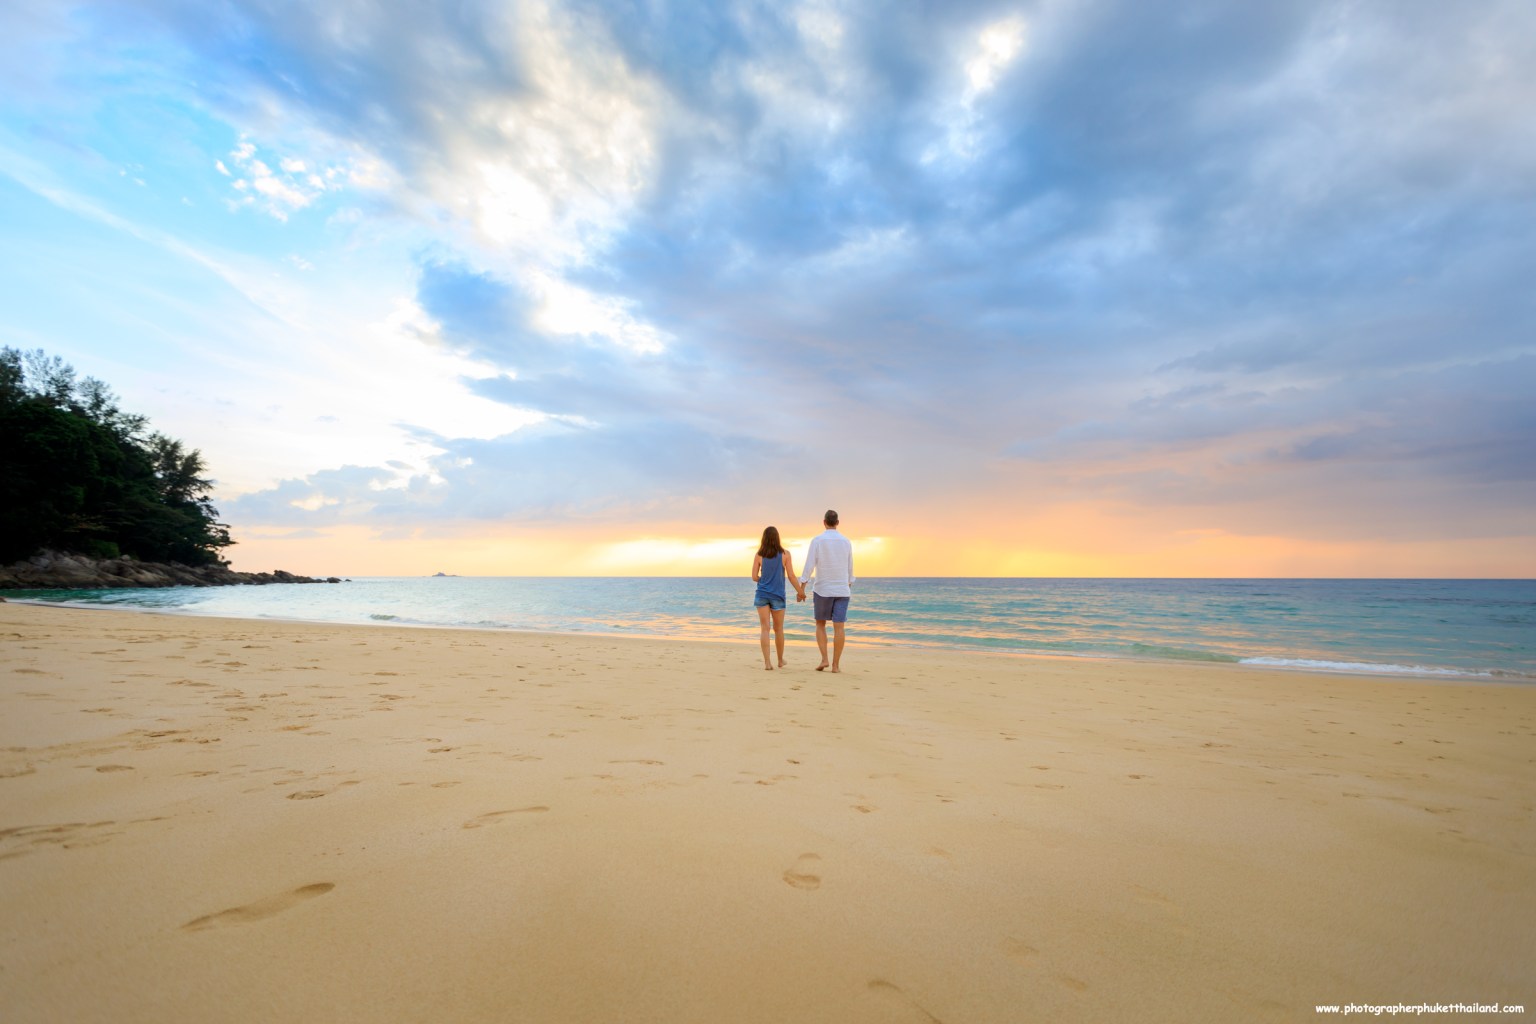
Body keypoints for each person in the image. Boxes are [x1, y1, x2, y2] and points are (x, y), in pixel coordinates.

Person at [799, 509, 855, 672]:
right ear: (837, 523)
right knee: (839, 627)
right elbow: (850, 565)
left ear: (824, 522)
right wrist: (848, 584)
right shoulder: (846, 541)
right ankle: (836, 665)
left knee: (820, 624)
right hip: (842, 589)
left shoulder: (817, 540)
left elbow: (809, 565)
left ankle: (824, 659)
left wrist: (802, 587)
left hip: (823, 588)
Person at [751, 526, 806, 671]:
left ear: (764, 538)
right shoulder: (785, 554)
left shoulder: (759, 555)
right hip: (778, 596)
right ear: (777, 538)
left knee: (765, 629)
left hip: (762, 594)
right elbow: (791, 576)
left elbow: (754, 577)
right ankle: (780, 660)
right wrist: (800, 591)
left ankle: (767, 663)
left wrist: (764, 579)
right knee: (779, 629)